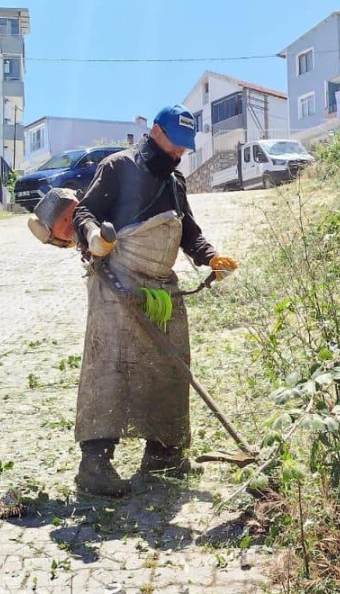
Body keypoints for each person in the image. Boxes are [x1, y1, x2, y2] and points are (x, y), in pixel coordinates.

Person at [69, 104, 238, 497]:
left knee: (171, 365)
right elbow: (86, 212)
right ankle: (94, 465)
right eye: (175, 144)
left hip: (162, 286)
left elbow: (188, 232)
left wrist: (210, 257)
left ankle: (164, 453)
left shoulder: (175, 183)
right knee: (109, 367)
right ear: (157, 133)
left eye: (184, 148)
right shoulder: (118, 167)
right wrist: (95, 236)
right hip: (116, 283)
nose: (179, 153)